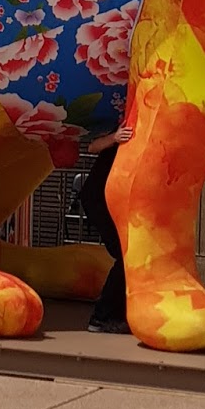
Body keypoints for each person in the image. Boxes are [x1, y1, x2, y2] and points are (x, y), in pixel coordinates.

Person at [77, 124, 133, 333]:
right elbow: (92, 147)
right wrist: (115, 137)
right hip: (99, 200)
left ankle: (118, 314)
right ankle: (101, 318)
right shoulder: (124, 125)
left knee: (129, 255)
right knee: (124, 255)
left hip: (115, 203)